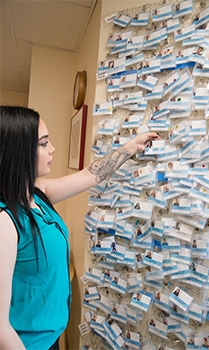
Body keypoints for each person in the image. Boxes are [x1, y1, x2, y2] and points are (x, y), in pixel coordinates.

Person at [0, 106, 159, 349]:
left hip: (51, 336)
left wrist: (130, 147)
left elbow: (91, 175)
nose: (52, 148)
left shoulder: (37, 194)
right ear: (18, 150)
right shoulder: (5, 220)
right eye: (43, 144)